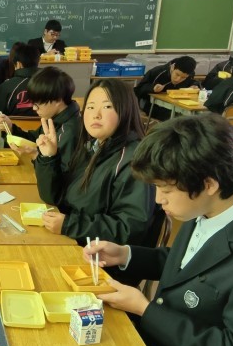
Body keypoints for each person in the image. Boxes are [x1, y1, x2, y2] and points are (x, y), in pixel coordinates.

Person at [85, 114, 233, 346]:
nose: (158, 200)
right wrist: (126, 254)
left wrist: (146, 310)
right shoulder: (208, 209)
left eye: (166, 190)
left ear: (208, 184)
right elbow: (186, 264)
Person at [34, 78, 155, 245]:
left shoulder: (134, 161)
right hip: (73, 240)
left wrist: (70, 225)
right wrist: (49, 157)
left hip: (97, 255)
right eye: (90, 107)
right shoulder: (92, 147)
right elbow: (55, 198)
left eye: (107, 106)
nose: (96, 114)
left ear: (126, 110)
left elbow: (130, 229)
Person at [0, 66, 80, 172]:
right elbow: (33, 139)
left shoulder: (70, 131)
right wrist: (10, 128)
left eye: (37, 104)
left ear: (58, 100)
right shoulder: (54, 118)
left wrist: (35, 155)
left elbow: (63, 175)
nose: (34, 108)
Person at [0, 44, 40, 128]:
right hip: (47, 133)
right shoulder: (53, 82)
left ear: (18, 64)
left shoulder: (7, 86)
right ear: (38, 62)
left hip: (14, 134)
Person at [134, 56, 199, 120]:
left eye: (183, 77)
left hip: (177, 104)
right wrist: (152, 88)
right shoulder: (157, 72)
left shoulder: (189, 74)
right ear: (172, 67)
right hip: (150, 104)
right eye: (177, 74)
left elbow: (193, 82)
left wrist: (194, 86)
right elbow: (138, 90)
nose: (178, 79)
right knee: (177, 117)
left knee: (194, 116)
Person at [204, 40, 233, 115]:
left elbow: (211, 109)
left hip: (227, 121)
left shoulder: (230, 85)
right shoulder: (223, 68)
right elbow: (207, 82)